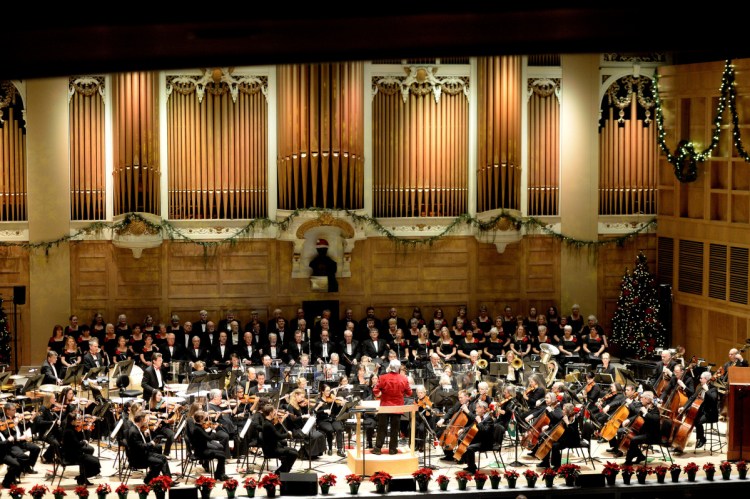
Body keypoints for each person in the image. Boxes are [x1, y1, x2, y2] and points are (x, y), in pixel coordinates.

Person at [372, 359, 413, 455]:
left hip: (385, 406)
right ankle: (392, 449)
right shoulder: (404, 379)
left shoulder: (383, 377)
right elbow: (409, 393)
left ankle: (378, 449)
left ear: (390, 367)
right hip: (397, 407)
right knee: (395, 429)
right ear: (399, 368)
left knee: (382, 428)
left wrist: (380, 395)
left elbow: (375, 390)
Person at [126, 411, 175, 485]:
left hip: (143, 454)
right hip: (138, 458)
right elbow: (140, 447)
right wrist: (151, 444)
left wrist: (147, 436)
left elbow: (141, 443)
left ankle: (168, 480)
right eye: (145, 419)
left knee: (163, 458)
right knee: (159, 462)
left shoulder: (137, 429)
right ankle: (148, 480)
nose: (146, 421)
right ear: (142, 419)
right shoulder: (134, 432)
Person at [678, 370, 719, 449]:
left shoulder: (713, 389)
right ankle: (694, 438)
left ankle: (701, 439)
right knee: (693, 418)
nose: (699, 380)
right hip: (702, 411)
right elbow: (692, 398)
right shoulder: (700, 387)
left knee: (698, 422)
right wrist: (684, 407)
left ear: (706, 379)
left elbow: (714, 399)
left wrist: (707, 390)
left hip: (710, 413)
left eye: (701, 378)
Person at [62, 411, 101, 485]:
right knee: (94, 462)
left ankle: (83, 478)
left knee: (95, 460)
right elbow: (77, 444)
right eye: (77, 420)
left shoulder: (73, 429)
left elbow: (78, 440)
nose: (79, 422)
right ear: (72, 421)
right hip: (71, 455)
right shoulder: (69, 431)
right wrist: (84, 442)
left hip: (75, 452)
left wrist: (81, 430)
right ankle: (81, 477)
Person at [189, 410, 230, 481]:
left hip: (202, 450)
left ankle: (220, 474)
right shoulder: (198, 429)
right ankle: (219, 475)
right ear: (201, 418)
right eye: (204, 417)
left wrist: (211, 429)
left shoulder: (198, 426)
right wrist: (214, 430)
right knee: (222, 456)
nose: (205, 419)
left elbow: (206, 435)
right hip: (201, 453)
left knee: (222, 454)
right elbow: (210, 438)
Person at [623, 391, 661, 465]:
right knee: (625, 434)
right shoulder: (644, 407)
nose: (640, 399)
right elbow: (637, 416)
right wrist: (628, 420)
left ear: (647, 399)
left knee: (633, 439)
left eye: (642, 398)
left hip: (652, 435)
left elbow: (655, 419)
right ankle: (640, 455)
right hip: (644, 432)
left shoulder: (654, 409)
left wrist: (646, 413)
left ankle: (628, 460)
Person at [458, 400, 494, 473]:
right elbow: (472, 426)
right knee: (463, 441)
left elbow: (484, 432)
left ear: (483, 409)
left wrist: (479, 422)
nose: (475, 409)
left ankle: (472, 469)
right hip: (480, 439)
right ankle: (470, 465)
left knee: (469, 448)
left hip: (486, 442)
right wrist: (464, 429)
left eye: (477, 408)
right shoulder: (480, 417)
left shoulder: (489, 419)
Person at [261, 403, 298, 473]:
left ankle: (284, 470)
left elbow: (275, 431)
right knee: (294, 454)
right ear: (270, 413)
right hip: (271, 450)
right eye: (274, 411)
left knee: (295, 451)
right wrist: (288, 434)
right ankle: (281, 472)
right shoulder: (268, 424)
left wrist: (279, 423)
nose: (275, 412)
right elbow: (278, 436)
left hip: (275, 446)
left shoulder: (268, 422)